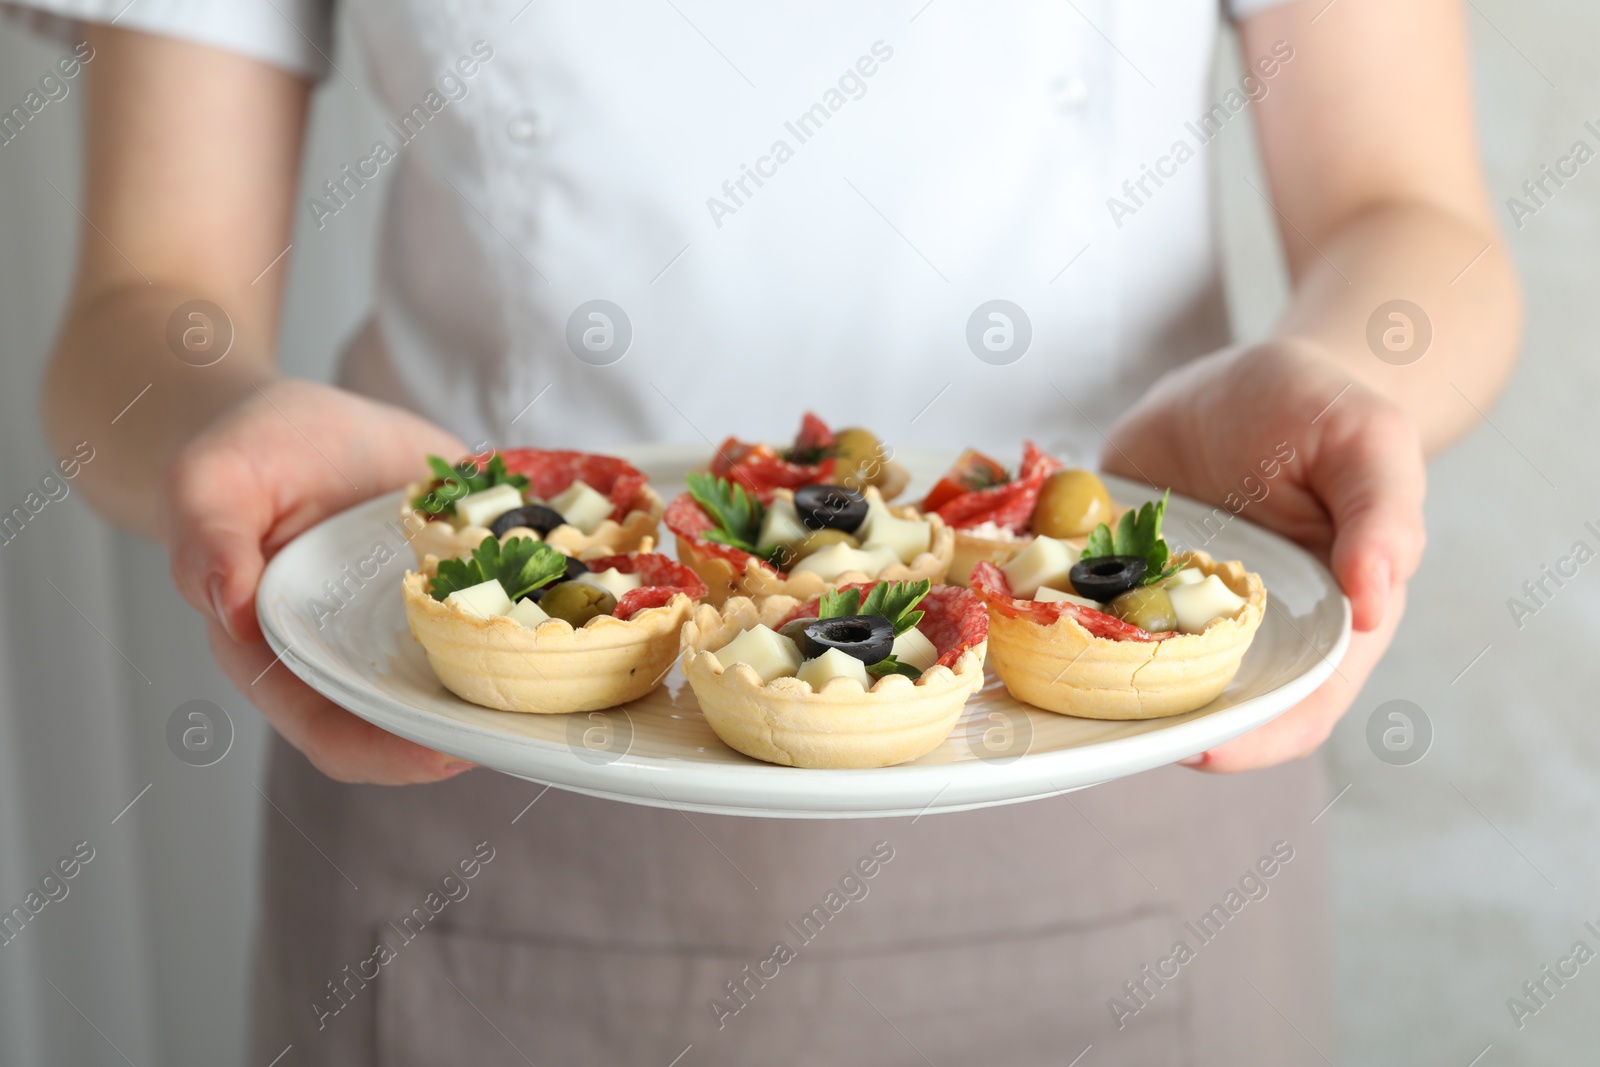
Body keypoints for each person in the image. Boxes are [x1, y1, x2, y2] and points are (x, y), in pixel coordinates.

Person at [23, 0, 1518, 1062]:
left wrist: (1333, 382)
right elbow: (141, 307)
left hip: (1117, 779)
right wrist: (217, 421)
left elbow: (1410, 216)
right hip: (479, 796)